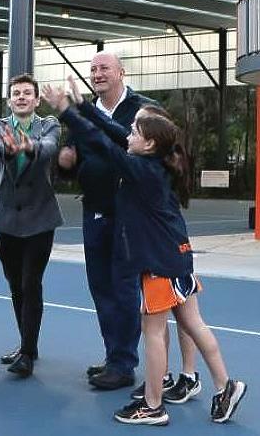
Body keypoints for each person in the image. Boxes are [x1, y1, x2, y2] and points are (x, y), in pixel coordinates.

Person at [43, 77, 247, 425]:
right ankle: (225, 385)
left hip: (158, 261)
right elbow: (112, 132)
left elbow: (99, 140)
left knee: (153, 332)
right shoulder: (155, 160)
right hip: (177, 254)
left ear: (149, 143)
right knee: (193, 323)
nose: (129, 134)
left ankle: (152, 405)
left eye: (135, 131)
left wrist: (66, 110)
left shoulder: (140, 169)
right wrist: (86, 106)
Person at [60, 51, 197, 392]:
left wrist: (71, 110)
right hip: (95, 210)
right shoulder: (85, 111)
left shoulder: (144, 109)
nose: (97, 73)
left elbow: (152, 148)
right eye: (93, 69)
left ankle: (126, 364)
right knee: (101, 288)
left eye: (104, 68)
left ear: (121, 72)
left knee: (127, 291)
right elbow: (75, 154)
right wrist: (66, 162)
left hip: (132, 218)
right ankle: (115, 356)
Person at [0, 74, 62, 378]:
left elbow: (50, 148)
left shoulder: (50, 125)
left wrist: (29, 146)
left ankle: (27, 353)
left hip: (40, 219)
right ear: (9, 100)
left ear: (36, 99)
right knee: (15, 284)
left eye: (27, 93)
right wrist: (8, 148)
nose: (21, 97)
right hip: (7, 221)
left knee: (31, 283)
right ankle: (27, 343)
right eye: (16, 93)